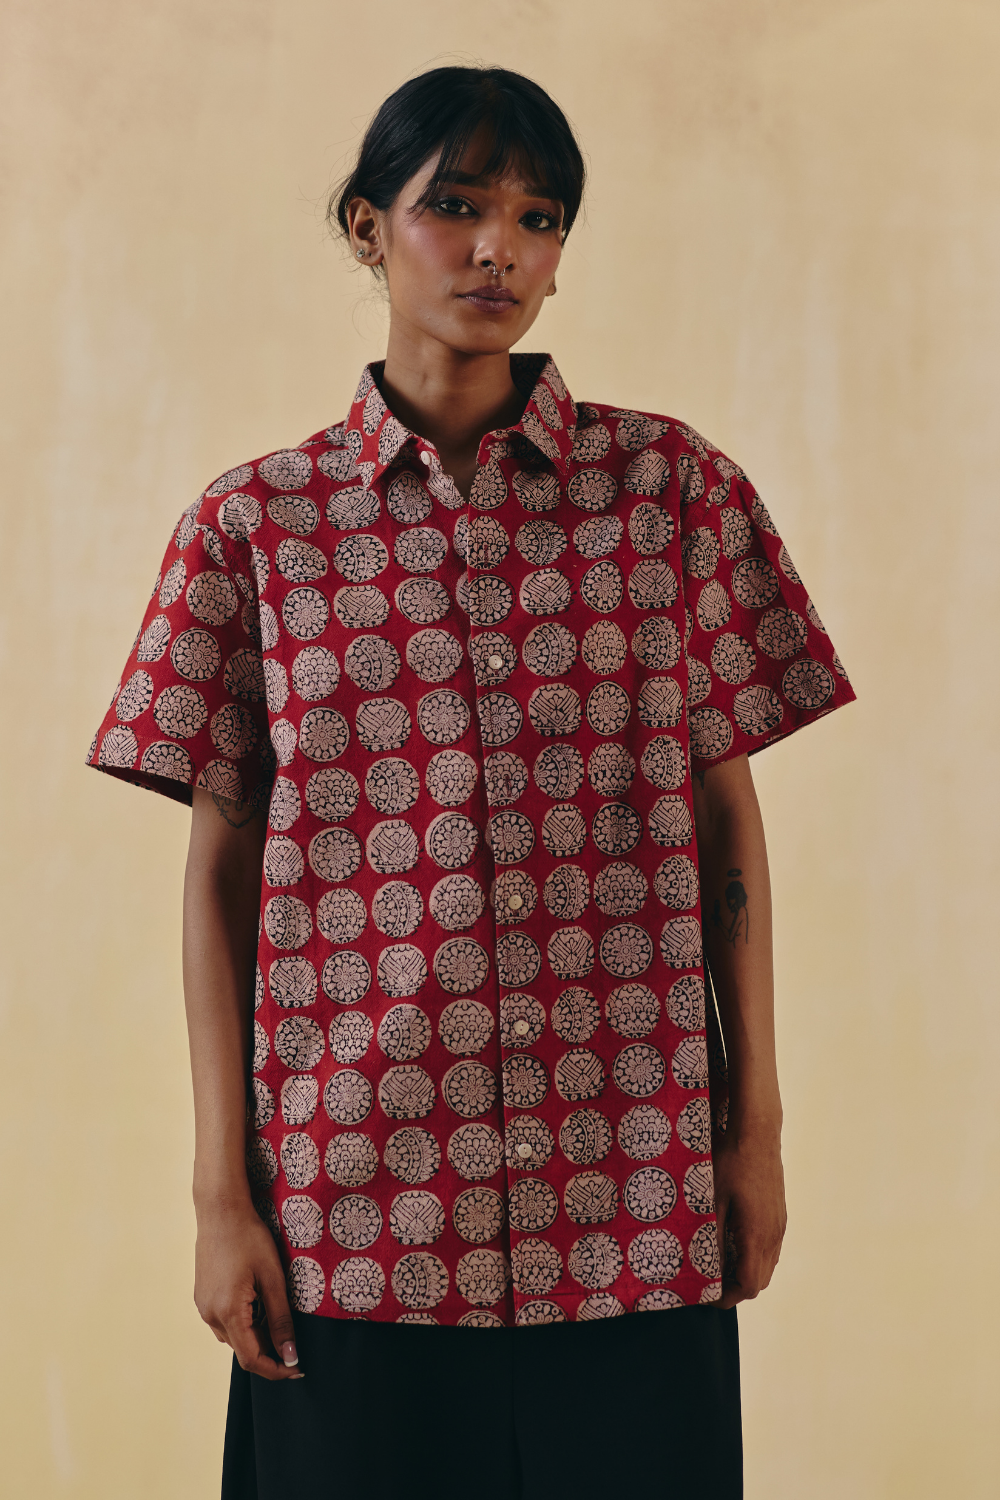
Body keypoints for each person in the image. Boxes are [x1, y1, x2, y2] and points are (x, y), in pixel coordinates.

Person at [87, 64, 854, 1500]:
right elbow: (221, 875)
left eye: (538, 217)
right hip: (352, 1211)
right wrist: (220, 1196)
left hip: (630, 1195)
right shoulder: (253, 530)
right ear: (367, 226)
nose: (498, 247)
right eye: (456, 206)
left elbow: (724, 824)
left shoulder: (672, 493)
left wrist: (755, 1136)